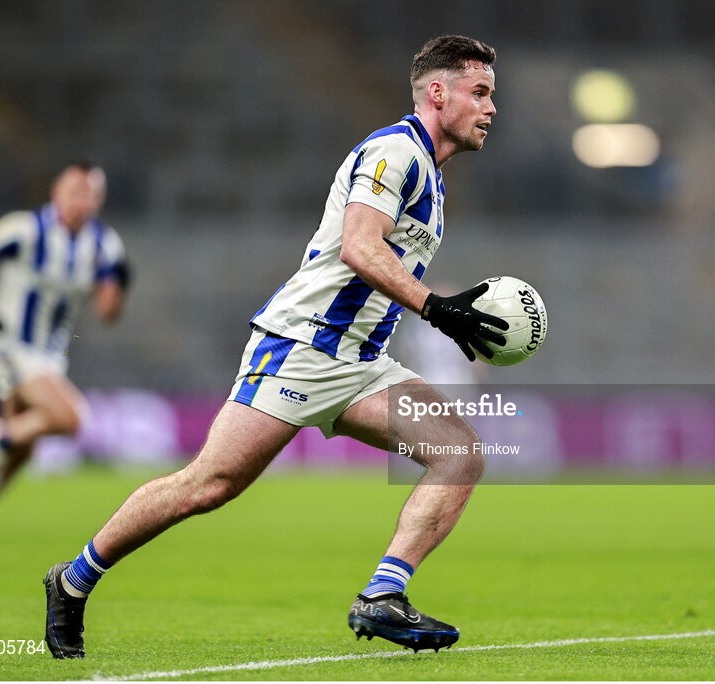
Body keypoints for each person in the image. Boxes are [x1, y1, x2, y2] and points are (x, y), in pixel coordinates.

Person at [42, 35, 507, 659]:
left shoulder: (433, 178)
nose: (490, 108)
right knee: (208, 485)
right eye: (479, 93)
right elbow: (359, 248)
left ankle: (383, 595)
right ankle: (73, 580)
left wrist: (435, 310)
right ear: (437, 92)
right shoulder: (393, 152)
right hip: (302, 346)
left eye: (491, 96)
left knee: (460, 455)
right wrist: (435, 307)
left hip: (361, 364)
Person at [0, 161, 128, 558]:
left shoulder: (104, 245)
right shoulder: (27, 229)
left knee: (22, 452)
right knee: (71, 417)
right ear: (56, 192)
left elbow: (108, 312)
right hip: (9, 346)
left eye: (89, 193)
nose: (81, 200)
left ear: (99, 200)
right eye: (74, 190)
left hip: (48, 357)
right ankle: (1, 435)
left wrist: (118, 289)